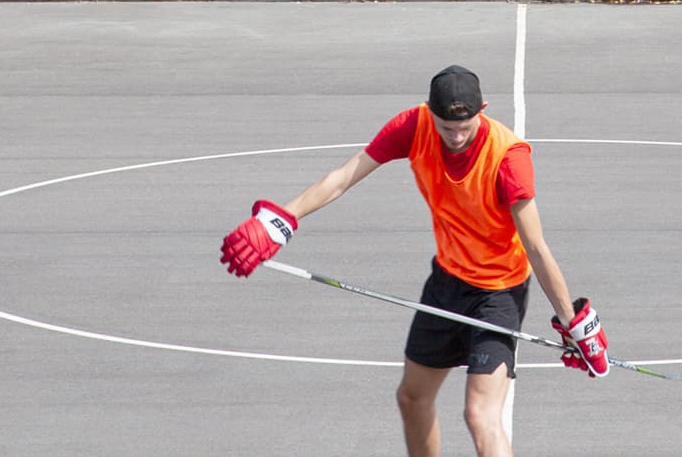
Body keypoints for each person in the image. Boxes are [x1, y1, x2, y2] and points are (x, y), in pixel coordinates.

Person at [219, 66, 607, 457]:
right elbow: (344, 176)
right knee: (412, 398)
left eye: (465, 127)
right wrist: (281, 220)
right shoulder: (413, 126)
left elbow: (536, 248)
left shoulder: (509, 158)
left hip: (498, 293)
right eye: (446, 127)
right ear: (429, 112)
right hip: (447, 283)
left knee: (480, 415)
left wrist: (574, 323)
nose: (455, 137)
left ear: (482, 110)